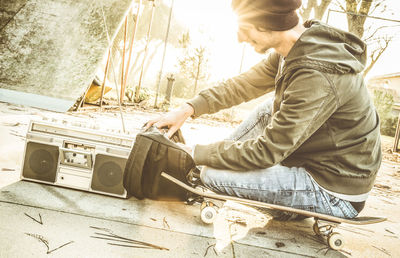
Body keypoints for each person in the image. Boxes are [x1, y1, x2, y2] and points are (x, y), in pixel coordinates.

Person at [146, 0, 382, 220]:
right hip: (316, 162)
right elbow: (243, 85)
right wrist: (187, 109)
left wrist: (197, 152)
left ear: (269, 25)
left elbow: (267, 151)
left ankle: (203, 175)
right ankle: (199, 169)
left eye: (245, 29)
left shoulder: (316, 73)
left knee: (211, 176)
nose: (240, 39)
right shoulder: (294, 50)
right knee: (267, 110)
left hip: (333, 191)